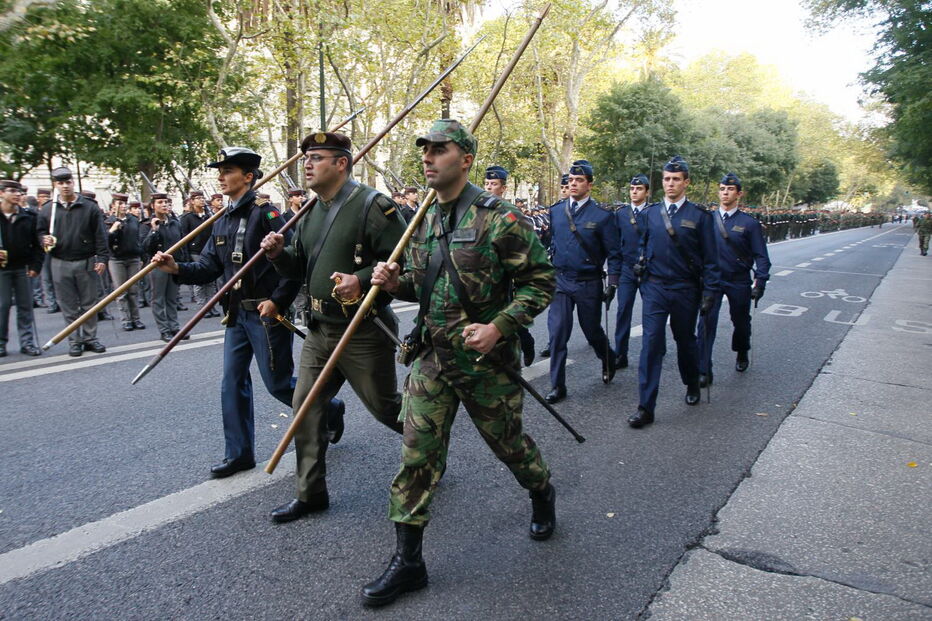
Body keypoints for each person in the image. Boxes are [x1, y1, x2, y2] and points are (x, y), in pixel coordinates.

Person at [364, 119, 555, 607]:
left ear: (465, 159)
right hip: (433, 359)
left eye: (439, 149)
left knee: (509, 445)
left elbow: (541, 282)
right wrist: (391, 283)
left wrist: (500, 327)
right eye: (424, 149)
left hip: (486, 363)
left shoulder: (500, 218)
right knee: (417, 455)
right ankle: (409, 563)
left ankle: (541, 491)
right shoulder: (422, 218)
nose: (427, 157)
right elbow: (418, 284)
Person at [151, 147, 343, 479]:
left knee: (278, 383)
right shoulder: (222, 218)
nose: (220, 176)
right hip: (236, 315)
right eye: (219, 171)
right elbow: (209, 267)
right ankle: (239, 453)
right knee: (232, 382)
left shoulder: (267, 215)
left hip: (267, 314)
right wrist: (175, 268)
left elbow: (293, 266)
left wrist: (279, 301)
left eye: (228, 171)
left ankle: (330, 409)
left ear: (249, 177)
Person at [261, 131, 407, 523]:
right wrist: (279, 255)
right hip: (320, 329)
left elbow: (404, 261)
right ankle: (310, 494)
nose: (306, 164)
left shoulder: (374, 206)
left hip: (362, 329)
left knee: (386, 409)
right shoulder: (310, 210)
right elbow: (300, 265)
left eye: (317, 158)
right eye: (306, 158)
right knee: (305, 408)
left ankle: (429, 447)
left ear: (341, 163)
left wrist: (361, 278)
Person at [628, 156, 721, 429]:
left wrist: (710, 292)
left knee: (685, 341)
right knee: (651, 344)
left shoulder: (700, 217)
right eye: (667, 179)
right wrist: (642, 276)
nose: (670, 184)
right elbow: (642, 247)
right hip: (655, 287)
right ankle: (646, 407)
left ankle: (692, 382)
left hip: (685, 289)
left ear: (686, 183)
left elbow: (711, 259)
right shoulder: (650, 214)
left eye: (676, 179)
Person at [544, 159, 621, 403]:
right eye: (571, 180)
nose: (573, 184)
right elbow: (550, 243)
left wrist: (613, 283)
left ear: (589, 184)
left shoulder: (602, 216)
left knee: (592, 331)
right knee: (557, 334)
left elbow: (614, 253)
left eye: (579, 180)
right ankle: (558, 385)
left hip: (588, 282)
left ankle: (608, 358)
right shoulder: (556, 211)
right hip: (561, 281)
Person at [695, 173, 770, 385]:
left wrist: (760, 282)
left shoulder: (749, 223)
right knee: (705, 322)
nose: (725, 193)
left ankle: (742, 350)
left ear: (739, 194)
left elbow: (761, 256)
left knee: (741, 321)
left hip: (738, 280)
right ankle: (704, 369)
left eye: (729, 189)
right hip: (712, 281)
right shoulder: (708, 220)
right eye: (721, 189)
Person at [36, 167, 109, 357]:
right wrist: (43, 239)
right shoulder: (47, 209)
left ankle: (90, 338)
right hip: (59, 261)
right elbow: (39, 232)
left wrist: (102, 257)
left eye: (68, 182)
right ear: (55, 185)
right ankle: (74, 341)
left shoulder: (89, 207)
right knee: (68, 305)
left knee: (89, 303)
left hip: (86, 260)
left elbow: (100, 235)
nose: (65, 186)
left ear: (73, 183)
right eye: (60, 183)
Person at [483, 165, 536, 367]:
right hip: (482, 275)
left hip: (505, 274)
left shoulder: (510, 214)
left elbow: (522, 244)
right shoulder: (475, 211)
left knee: (507, 315)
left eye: (494, 184)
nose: (489, 188)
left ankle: (525, 341)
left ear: (503, 188)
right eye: (486, 184)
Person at [0, 180, 43, 357]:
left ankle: (27, 342)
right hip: (2, 269)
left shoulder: (29, 216)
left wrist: (36, 265)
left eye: (19, 191)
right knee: (2, 306)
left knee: (25, 306)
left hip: (23, 268)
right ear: (1, 193)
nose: (17, 194)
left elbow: (37, 244)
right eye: (12, 191)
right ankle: (1, 343)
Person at [612, 174, 650, 370]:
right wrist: (614, 274)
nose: (635, 192)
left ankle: (653, 349)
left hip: (648, 270)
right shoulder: (620, 214)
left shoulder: (653, 213)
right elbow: (615, 245)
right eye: (632, 189)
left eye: (639, 189)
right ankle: (620, 353)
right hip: (627, 269)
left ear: (647, 192)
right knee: (623, 310)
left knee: (651, 313)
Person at [145, 192, 188, 341]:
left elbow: (183, 244)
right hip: (157, 266)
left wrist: (184, 262)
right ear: (153, 206)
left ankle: (174, 327)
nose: (164, 205)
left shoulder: (175, 223)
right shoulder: (147, 224)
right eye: (160, 202)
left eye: (166, 202)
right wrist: (153, 230)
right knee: (158, 299)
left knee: (172, 297)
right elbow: (144, 247)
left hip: (174, 264)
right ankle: (164, 330)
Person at [539, 173, 571, 359]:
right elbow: (550, 238)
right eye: (563, 187)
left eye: (568, 187)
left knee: (590, 322)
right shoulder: (555, 210)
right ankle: (554, 343)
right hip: (559, 270)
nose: (565, 190)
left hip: (581, 273)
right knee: (556, 315)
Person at [105, 192, 146, 331]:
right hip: (117, 260)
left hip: (133, 258)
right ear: (113, 205)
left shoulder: (133, 220)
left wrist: (141, 257)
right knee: (121, 292)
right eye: (119, 203)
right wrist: (112, 230)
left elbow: (138, 239)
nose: (122, 206)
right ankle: (126, 320)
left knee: (134, 290)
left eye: (124, 204)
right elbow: (105, 243)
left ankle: (136, 318)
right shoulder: (108, 221)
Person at [180, 190, 219, 317]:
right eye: (198, 198)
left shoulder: (209, 216)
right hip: (195, 251)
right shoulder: (187, 218)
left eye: (202, 198)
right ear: (192, 201)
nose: (201, 200)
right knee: (200, 280)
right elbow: (184, 237)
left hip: (209, 250)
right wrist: (186, 254)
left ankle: (211, 305)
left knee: (211, 280)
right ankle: (202, 307)